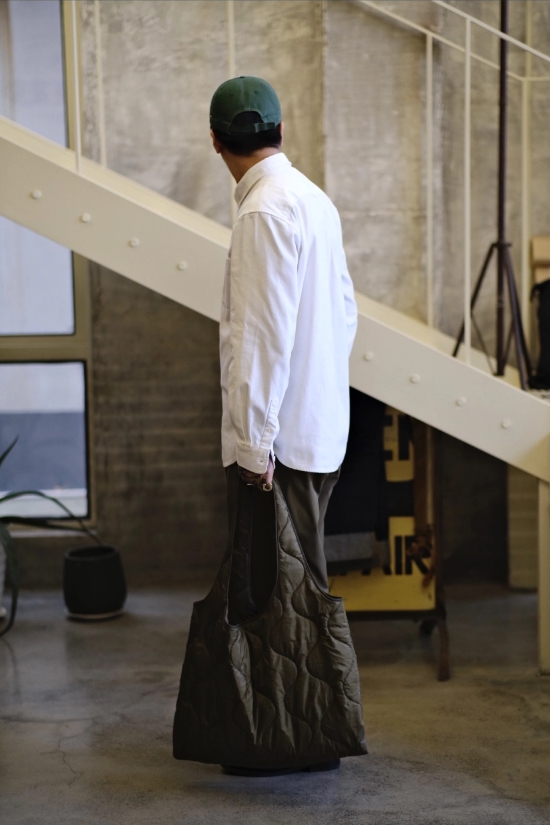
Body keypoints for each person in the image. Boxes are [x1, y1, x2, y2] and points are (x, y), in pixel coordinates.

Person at [175, 75, 363, 777]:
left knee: (272, 601)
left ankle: (295, 740)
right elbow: (344, 313)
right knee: (298, 591)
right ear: (281, 133)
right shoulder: (312, 199)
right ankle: (299, 734)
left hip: (277, 445)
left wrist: (254, 447)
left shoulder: (261, 212)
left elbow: (259, 339)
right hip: (317, 430)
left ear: (216, 142)